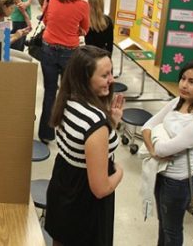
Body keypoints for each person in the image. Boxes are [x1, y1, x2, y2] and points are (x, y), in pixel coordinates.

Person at [45, 45, 124, 246]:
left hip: (63, 187)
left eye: (111, 72)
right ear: (85, 78)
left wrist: (112, 122)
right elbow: (100, 188)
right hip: (84, 205)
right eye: (104, 75)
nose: (111, 80)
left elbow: (79, 147)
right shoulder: (95, 123)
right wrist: (119, 173)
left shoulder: (67, 100)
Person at [141, 60, 193, 246]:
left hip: (178, 182)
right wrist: (153, 150)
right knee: (163, 224)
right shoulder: (178, 101)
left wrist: (156, 141)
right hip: (161, 172)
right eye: (183, 78)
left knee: (172, 229)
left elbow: (162, 147)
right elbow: (147, 126)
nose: (184, 84)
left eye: (192, 82)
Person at [38, 0, 90, 143]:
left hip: (48, 47)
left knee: (50, 92)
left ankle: (46, 133)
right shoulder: (82, 5)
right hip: (70, 51)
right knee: (69, 91)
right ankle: (69, 130)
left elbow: (45, 20)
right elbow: (85, 29)